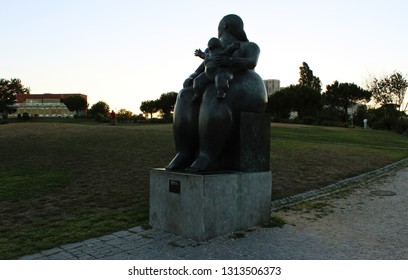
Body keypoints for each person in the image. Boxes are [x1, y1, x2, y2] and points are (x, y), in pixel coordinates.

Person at [166, 14, 268, 172]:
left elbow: (251, 62)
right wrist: (191, 78)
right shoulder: (212, 50)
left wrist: (230, 61)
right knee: (184, 95)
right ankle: (184, 153)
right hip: (217, 80)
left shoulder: (249, 46)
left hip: (246, 85)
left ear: (225, 26)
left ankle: (208, 156)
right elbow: (200, 70)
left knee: (214, 93)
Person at [193, 37, 240, 102]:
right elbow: (203, 55)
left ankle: (222, 92)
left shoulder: (222, 52)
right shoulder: (208, 54)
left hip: (220, 72)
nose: (210, 44)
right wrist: (199, 53)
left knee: (220, 79)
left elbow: (229, 49)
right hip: (207, 74)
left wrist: (234, 46)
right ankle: (197, 94)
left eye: (212, 43)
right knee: (197, 80)